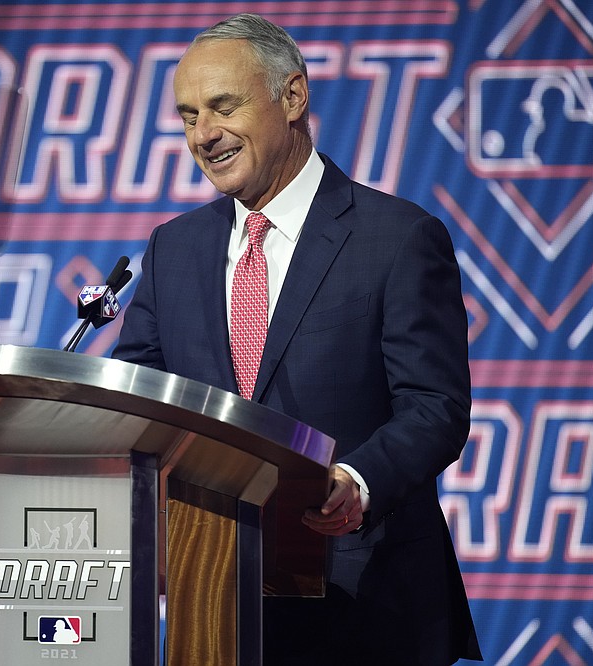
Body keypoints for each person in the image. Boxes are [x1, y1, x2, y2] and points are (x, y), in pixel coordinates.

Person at [111, 13, 482, 665]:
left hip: (366, 606)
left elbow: (435, 408)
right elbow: (132, 403)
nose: (204, 134)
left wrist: (354, 482)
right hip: (215, 600)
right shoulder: (176, 247)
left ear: (292, 97)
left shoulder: (396, 238)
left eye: (223, 106)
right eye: (189, 115)